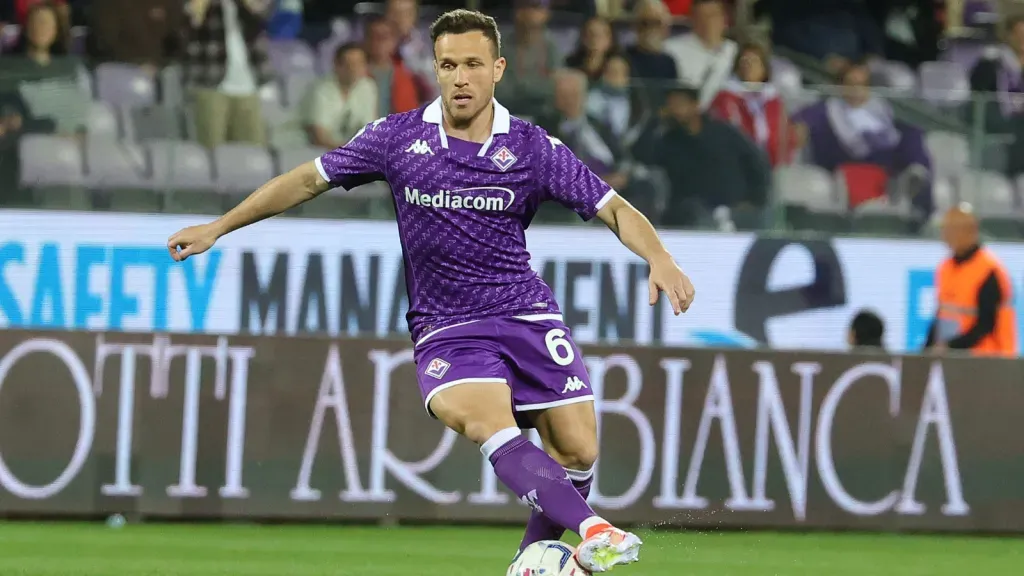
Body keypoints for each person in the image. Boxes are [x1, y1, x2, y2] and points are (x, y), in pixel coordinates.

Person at [167, 8, 695, 572]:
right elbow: (306, 179)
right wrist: (218, 225)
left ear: (497, 69)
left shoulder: (531, 147)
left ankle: (532, 560)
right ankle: (594, 530)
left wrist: (658, 255)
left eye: (471, 64)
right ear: (435, 69)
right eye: (447, 65)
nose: (460, 77)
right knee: (486, 420)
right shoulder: (398, 139)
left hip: (526, 314)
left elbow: (611, 207)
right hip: (447, 327)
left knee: (579, 452)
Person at [923, 205, 1017, 357]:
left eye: (951, 230)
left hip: (988, 359)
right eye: (944, 230)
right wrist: (926, 349)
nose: (945, 236)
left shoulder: (989, 270)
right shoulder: (946, 268)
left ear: (970, 231)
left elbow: (986, 324)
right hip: (953, 359)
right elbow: (942, 314)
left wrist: (951, 346)